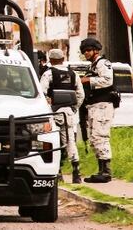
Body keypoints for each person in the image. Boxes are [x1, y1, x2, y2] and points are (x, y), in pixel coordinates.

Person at [40, 48, 85, 183]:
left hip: (53, 112)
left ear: (51, 60)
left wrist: (48, 106)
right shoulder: (73, 74)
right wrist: (73, 108)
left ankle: (57, 173)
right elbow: (80, 95)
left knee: (54, 141)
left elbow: (42, 92)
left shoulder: (49, 73)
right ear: (63, 59)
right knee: (70, 141)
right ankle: (76, 172)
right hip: (69, 113)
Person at [79, 37, 116, 183]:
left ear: (96, 50)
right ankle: (101, 169)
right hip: (94, 105)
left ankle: (106, 171)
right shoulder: (93, 66)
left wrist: (88, 80)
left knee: (100, 136)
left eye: (88, 50)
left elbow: (108, 80)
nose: (86, 53)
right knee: (94, 138)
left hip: (103, 105)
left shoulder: (102, 63)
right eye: (84, 51)